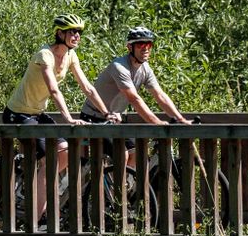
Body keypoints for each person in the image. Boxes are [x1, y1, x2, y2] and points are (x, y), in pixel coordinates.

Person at [3, 14, 119, 224]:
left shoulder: (70, 57)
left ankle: (42, 196)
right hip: (18, 115)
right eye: (72, 31)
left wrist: (106, 113)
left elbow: (88, 88)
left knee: (63, 152)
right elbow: (54, 90)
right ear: (60, 33)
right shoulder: (44, 55)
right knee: (53, 157)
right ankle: (33, 217)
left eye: (79, 32)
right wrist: (68, 119)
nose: (76, 35)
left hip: (37, 114)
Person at [81, 26, 195, 170]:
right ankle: (117, 190)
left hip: (114, 120)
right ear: (130, 47)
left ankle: (124, 184)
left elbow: (160, 95)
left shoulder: (145, 69)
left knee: (137, 152)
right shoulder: (119, 67)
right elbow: (134, 99)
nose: (145, 48)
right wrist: (157, 123)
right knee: (122, 153)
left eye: (149, 45)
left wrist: (180, 119)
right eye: (141, 44)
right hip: (94, 118)